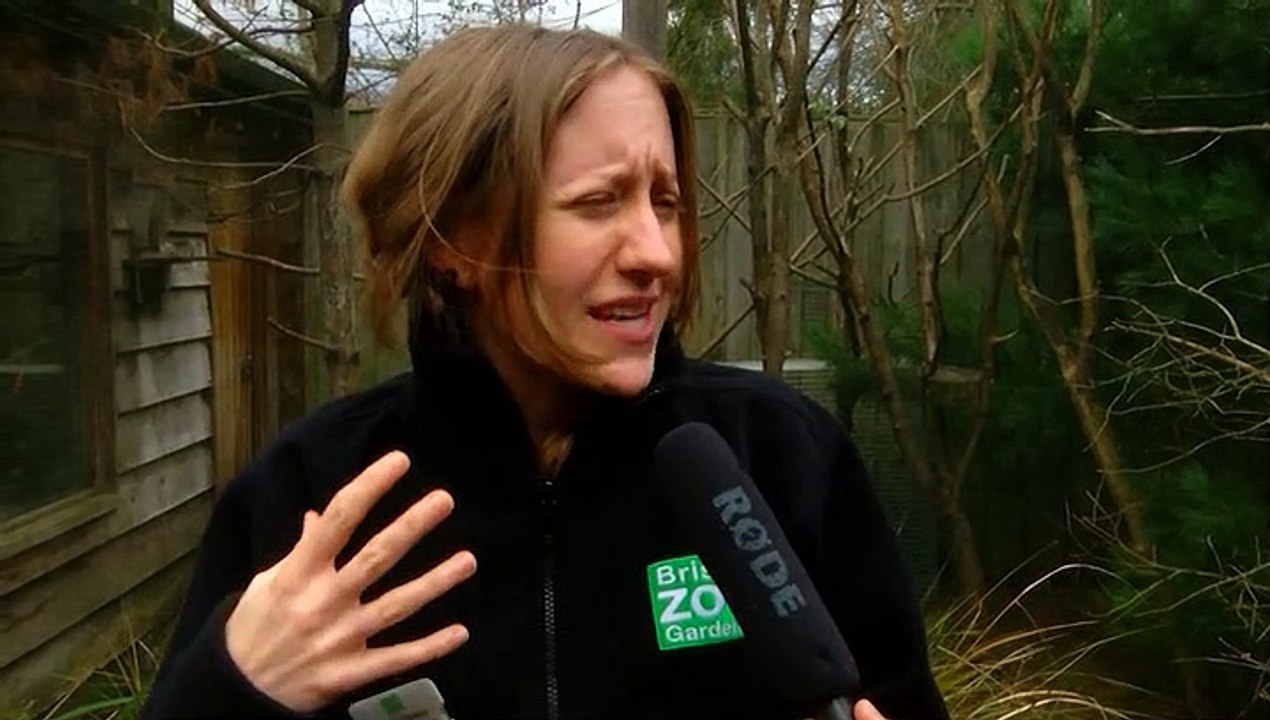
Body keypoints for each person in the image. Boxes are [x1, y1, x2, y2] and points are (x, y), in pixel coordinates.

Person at [141, 24, 949, 720]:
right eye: (599, 203)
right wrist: (234, 685)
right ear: (455, 239)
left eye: (664, 202)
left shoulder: (780, 457)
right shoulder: (313, 497)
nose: (657, 253)